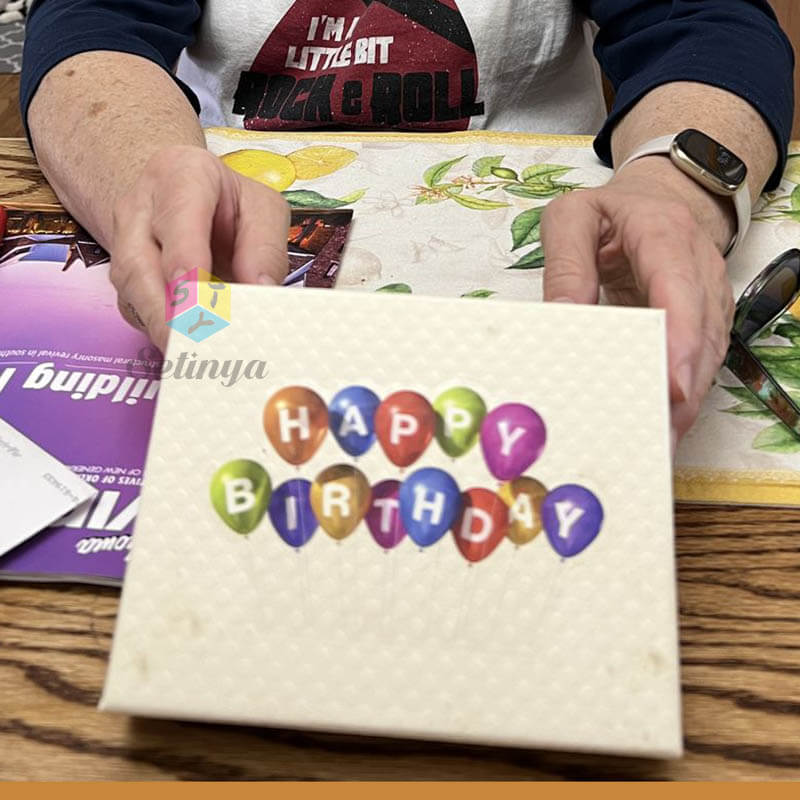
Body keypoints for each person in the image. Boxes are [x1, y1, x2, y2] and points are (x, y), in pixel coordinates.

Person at [21, 1, 794, 448]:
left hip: (560, 272)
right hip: (248, 246)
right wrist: (142, 171)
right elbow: (94, 19)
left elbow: (705, 19)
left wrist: (678, 188)